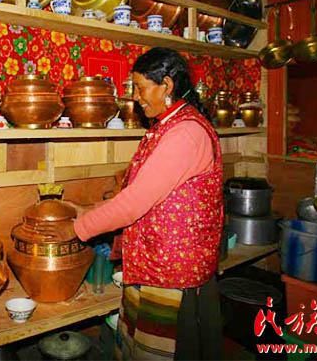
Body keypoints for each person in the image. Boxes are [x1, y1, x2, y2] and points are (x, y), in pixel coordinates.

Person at [41, 47, 224, 360]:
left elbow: (135, 202)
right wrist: (87, 211)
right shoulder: (166, 127)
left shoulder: (186, 133)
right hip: (156, 262)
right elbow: (139, 193)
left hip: (174, 272)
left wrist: (77, 228)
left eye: (140, 88)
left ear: (166, 86)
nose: (136, 97)